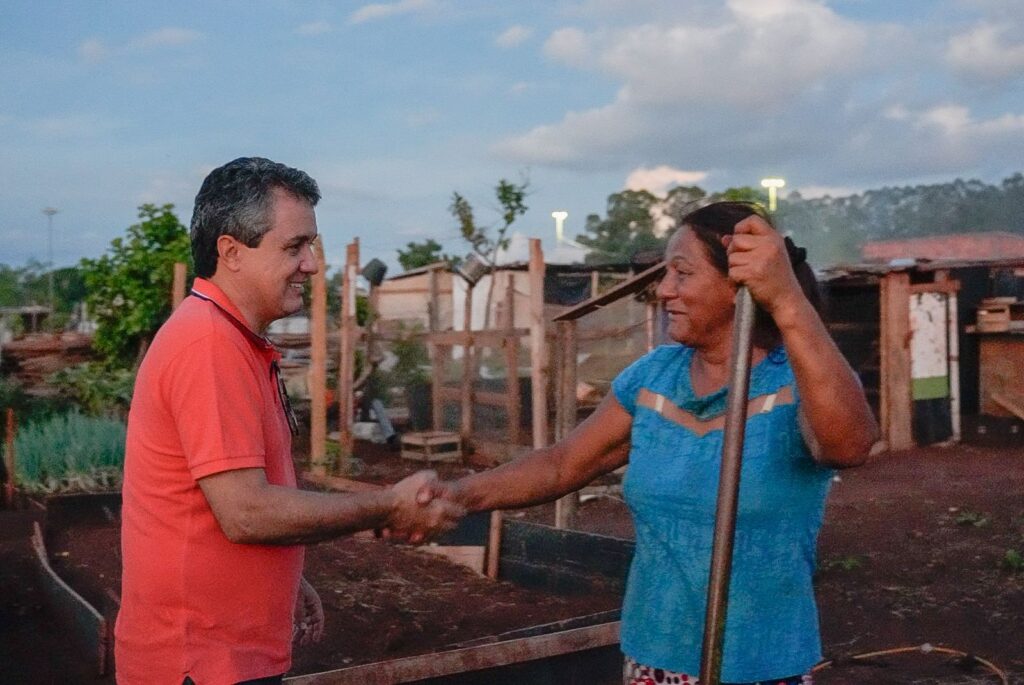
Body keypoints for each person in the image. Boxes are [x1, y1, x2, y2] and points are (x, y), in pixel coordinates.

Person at [433, 202, 879, 684]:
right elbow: (561, 466)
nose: (664, 290)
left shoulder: (800, 380)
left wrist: (788, 302)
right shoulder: (653, 377)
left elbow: (848, 446)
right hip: (654, 657)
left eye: (682, 274)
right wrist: (456, 497)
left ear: (740, 286)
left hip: (763, 665)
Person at [115, 157, 463, 685]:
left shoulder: (229, 337)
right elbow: (246, 513)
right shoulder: (209, 343)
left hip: (214, 652)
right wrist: (388, 504)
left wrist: (285, 576)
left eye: (311, 246)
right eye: (294, 246)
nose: (311, 264)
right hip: (201, 662)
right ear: (230, 251)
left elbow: (226, 505)